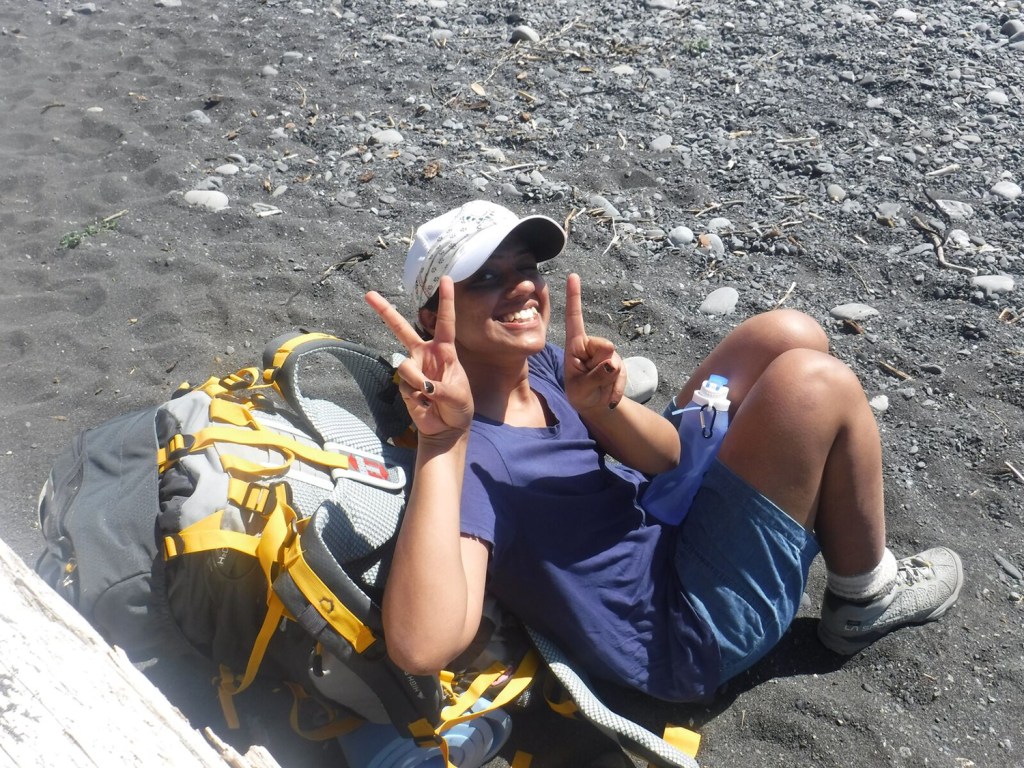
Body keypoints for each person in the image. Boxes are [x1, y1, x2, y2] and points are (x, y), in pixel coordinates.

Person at [364, 199, 964, 705]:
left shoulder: (537, 365)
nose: (523, 284)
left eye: (528, 267)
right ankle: (866, 599)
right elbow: (420, 646)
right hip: (682, 626)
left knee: (783, 333)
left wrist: (603, 408)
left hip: (657, 518)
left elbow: (669, 459)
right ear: (430, 317)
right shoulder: (474, 458)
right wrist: (441, 443)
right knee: (814, 383)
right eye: (487, 278)